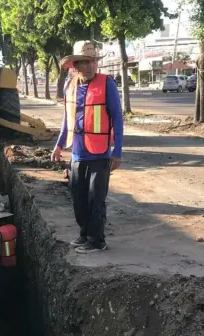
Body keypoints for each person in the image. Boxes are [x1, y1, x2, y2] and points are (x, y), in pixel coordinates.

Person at [51, 40, 124, 254]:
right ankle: (84, 234)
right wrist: (58, 146)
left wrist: (117, 151)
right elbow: (67, 119)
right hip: (77, 152)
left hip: (100, 153)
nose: (91, 66)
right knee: (79, 198)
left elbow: (117, 119)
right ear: (76, 65)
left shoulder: (107, 83)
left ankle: (97, 240)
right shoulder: (70, 86)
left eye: (93, 61)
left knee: (96, 199)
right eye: (86, 62)